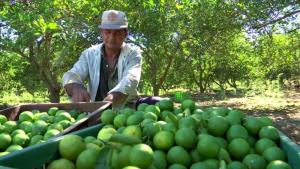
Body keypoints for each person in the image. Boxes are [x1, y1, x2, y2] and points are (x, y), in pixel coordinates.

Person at [62, 10, 142, 108]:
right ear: (102, 33)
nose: (112, 38)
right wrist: (75, 86)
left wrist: (114, 96)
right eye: (107, 32)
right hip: (96, 113)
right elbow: (72, 74)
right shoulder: (89, 54)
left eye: (117, 33)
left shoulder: (133, 54)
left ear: (125, 34)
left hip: (126, 112)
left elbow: (131, 78)